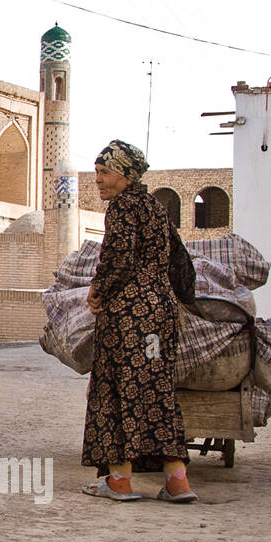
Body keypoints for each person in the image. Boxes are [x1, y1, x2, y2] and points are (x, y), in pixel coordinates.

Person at [82, 140, 200, 504]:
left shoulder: (122, 208)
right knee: (157, 390)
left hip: (127, 315)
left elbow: (118, 258)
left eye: (104, 173)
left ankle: (119, 481)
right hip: (161, 313)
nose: (98, 181)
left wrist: (98, 292)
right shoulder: (154, 207)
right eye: (97, 173)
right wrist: (185, 298)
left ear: (125, 174)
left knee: (117, 388)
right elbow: (180, 259)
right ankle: (177, 482)